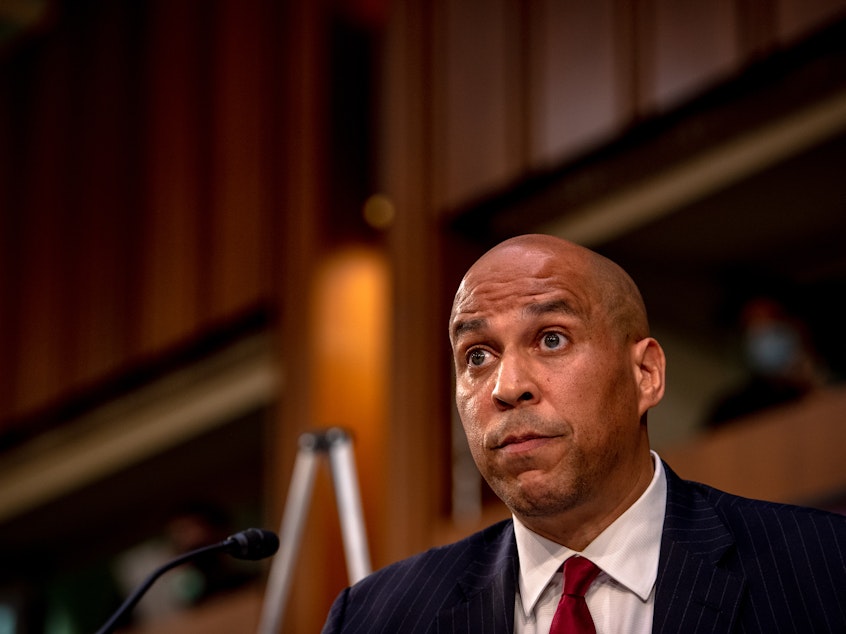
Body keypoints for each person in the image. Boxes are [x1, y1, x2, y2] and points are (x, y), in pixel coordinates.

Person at [321, 234, 846, 633]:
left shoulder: (824, 568)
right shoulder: (374, 618)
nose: (507, 387)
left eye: (551, 339)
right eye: (477, 355)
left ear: (645, 375)